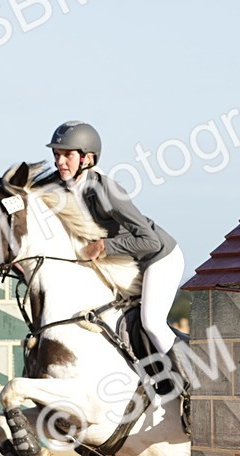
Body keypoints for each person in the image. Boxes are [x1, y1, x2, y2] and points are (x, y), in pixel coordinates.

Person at [43, 121, 191, 394]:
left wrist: (104, 246)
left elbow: (149, 240)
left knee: (152, 323)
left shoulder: (106, 191)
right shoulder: (61, 185)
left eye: (67, 155)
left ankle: (193, 390)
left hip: (158, 258)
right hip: (125, 265)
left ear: (87, 158)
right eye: (57, 154)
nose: (59, 161)